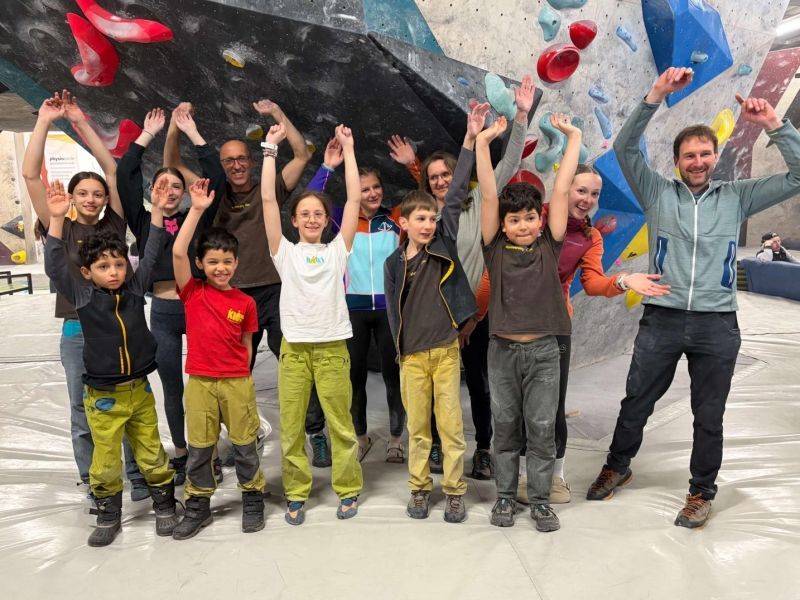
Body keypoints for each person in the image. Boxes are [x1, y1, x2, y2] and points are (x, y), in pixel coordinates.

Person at [587, 67, 800, 529]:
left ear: (715, 156)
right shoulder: (657, 192)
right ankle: (617, 466)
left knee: (709, 414)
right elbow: (625, 149)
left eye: (705, 153)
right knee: (636, 402)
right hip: (662, 318)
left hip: (716, 324)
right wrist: (655, 94)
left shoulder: (738, 196)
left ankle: (701, 492)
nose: (698, 161)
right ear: (677, 160)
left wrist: (773, 124)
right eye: (689, 155)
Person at [165, 100, 334, 468]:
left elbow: (302, 153)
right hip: (232, 296)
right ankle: (245, 436)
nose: (236, 165)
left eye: (242, 158)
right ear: (222, 165)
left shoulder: (269, 187)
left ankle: (316, 431)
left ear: (252, 161)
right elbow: (172, 162)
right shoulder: (211, 192)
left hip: (276, 291)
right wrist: (176, 125)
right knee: (234, 371)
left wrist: (278, 114)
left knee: (297, 362)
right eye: (229, 161)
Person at [387, 75, 537, 479]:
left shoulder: (479, 203)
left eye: (445, 175)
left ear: (457, 175)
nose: (440, 181)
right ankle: (437, 445)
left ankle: (484, 448)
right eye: (432, 177)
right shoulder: (430, 220)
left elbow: (507, 165)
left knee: (481, 385)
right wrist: (415, 166)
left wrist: (522, 117)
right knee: (441, 387)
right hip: (440, 320)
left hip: (478, 315)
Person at [510, 164, 670, 505]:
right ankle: (522, 474)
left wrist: (624, 280)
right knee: (520, 403)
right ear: (565, 188)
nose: (587, 199)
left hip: (555, 326)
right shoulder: (535, 219)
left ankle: (557, 476)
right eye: (581, 190)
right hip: (517, 324)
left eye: (594, 194)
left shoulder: (590, 237)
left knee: (553, 405)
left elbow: (594, 282)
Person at [22, 90, 146, 502]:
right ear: (72, 198)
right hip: (77, 331)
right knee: (82, 410)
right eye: (83, 194)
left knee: (129, 405)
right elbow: (30, 176)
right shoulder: (59, 224)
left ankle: (137, 475)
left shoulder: (114, 226)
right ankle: (96, 483)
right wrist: (44, 121)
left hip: (118, 327)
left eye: (97, 194)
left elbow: (112, 169)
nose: (91, 199)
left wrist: (78, 119)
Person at [43, 178, 178, 547]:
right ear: (88, 272)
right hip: (103, 396)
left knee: (151, 450)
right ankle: (108, 513)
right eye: (104, 266)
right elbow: (55, 266)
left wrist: (157, 213)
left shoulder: (134, 289)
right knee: (105, 459)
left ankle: (164, 504)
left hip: (139, 391)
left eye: (119, 264)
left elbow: (152, 252)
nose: (114, 271)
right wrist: (56, 220)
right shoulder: (83, 297)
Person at [476, 113, 580, 532]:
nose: (523, 225)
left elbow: (562, 187)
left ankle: (538, 500)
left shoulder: (549, 247)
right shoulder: (495, 249)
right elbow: (488, 194)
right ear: (503, 225)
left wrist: (573, 136)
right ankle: (504, 496)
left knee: (541, 427)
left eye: (530, 218)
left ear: (541, 219)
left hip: (544, 353)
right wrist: (483, 142)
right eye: (514, 219)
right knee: (505, 427)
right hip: (502, 351)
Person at [384, 103, 487, 523]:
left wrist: (469, 138)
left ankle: (456, 491)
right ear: (404, 224)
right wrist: (400, 350)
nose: (428, 224)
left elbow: (458, 189)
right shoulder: (394, 264)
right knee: (419, 430)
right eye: (420, 218)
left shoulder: (444, 241)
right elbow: (393, 312)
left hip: (445, 352)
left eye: (432, 217)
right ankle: (419, 488)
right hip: (412, 357)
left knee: (451, 426)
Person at [261, 123, 363, 525]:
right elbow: (268, 199)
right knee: (291, 428)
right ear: (295, 220)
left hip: (333, 347)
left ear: (326, 220)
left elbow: (354, 198)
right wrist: (270, 149)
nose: (311, 218)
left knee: (341, 424)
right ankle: (296, 493)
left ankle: (348, 488)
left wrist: (349, 150)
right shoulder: (284, 252)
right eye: (304, 214)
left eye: (318, 214)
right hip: (295, 351)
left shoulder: (338, 250)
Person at [116, 107, 222, 486]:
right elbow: (125, 176)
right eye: (161, 185)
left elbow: (217, 177)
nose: (169, 191)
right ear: (151, 191)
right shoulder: (144, 222)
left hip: (198, 308)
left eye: (176, 185)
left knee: (206, 384)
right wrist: (146, 136)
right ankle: (181, 451)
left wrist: (194, 134)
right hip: (162, 312)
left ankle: (208, 451)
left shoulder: (199, 215)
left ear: (186, 191)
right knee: (173, 388)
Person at [170, 179, 267, 539]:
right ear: (200, 263)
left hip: (237, 382)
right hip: (200, 382)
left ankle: (253, 496)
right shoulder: (192, 292)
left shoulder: (246, 303)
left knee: (244, 444)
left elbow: (247, 343)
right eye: (212, 262)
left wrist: (243, 376)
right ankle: (198, 504)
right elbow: (177, 253)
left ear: (236, 263)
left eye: (227, 261)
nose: (221, 268)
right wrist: (196, 209)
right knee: (200, 448)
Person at [328, 164, 406, 463]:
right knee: (354, 376)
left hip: (389, 309)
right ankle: (360, 436)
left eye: (376, 187)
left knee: (393, 375)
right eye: (364, 189)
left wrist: (412, 164)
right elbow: (308, 198)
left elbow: (429, 198)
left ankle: (396, 439)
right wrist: (328, 165)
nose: (373, 193)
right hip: (353, 309)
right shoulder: (340, 218)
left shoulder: (396, 217)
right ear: (353, 192)